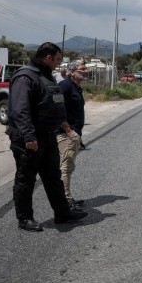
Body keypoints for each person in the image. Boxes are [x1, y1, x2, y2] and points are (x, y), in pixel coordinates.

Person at [7, 42, 88, 232]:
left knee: (53, 176)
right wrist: (29, 136)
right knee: (26, 179)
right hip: (29, 138)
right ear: (48, 58)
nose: (59, 64)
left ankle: (62, 213)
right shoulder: (25, 77)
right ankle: (25, 218)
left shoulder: (45, 76)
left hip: (47, 135)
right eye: (57, 59)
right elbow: (20, 110)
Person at [57, 61, 87, 210]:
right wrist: (69, 131)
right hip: (65, 134)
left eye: (85, 69)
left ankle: (67, 198)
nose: (85, 71)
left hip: (74, 134)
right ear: (72, 72)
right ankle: (66, 201)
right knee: (66, 167)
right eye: (82, 69)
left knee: (68, 167)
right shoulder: (65, 86)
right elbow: (57, 108)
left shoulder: (76, 87)